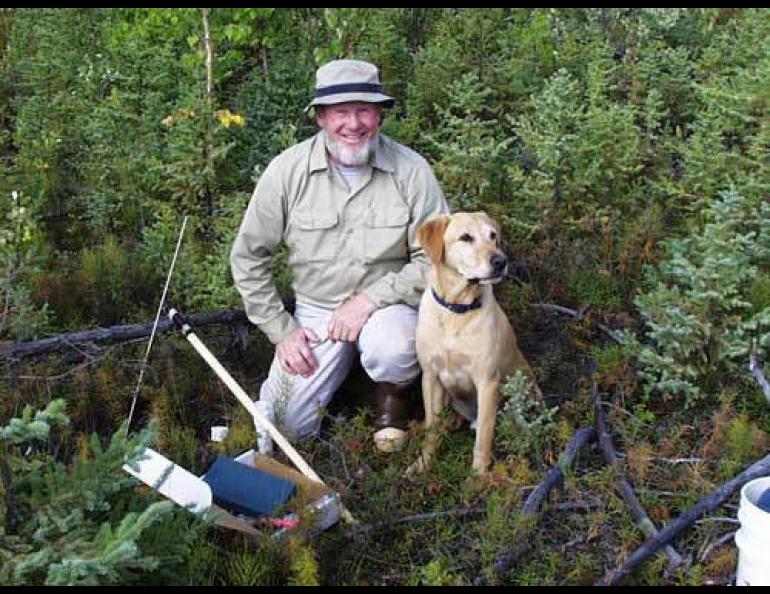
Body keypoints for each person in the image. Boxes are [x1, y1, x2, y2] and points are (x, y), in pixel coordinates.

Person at [230, 59, 449, 455]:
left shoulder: (412, 171)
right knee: (284, 427)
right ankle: (348, 381)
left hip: (390, 305)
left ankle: (393, 401)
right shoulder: (286, 172)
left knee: (393, 346)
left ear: (379, 114)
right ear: (320, 117)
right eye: (341, 112)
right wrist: (282, 331)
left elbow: (436, 258)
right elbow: (248, 258)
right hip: (318, 314)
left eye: (364, 109)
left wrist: (369, 301)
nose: (354, 123)